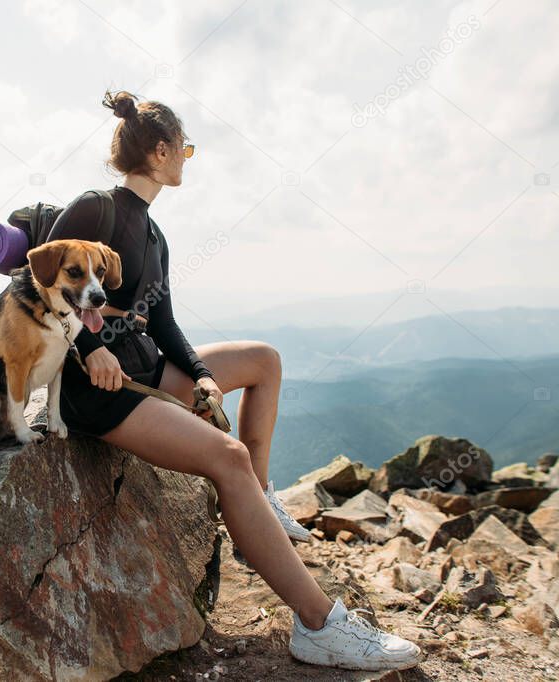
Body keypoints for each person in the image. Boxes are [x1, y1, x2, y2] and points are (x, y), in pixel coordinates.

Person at [43, 89, 424, 672]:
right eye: (186, 150)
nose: (187, 160)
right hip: (95, 389)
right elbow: (41, 286)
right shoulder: (95, 208)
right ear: (163, 151)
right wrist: (90, 346)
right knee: (228, 455)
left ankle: (261, 506)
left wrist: (199, 375)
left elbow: (162, 319)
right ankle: (318, 626)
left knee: (264, 360)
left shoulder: (153, 234)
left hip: (144, 364)